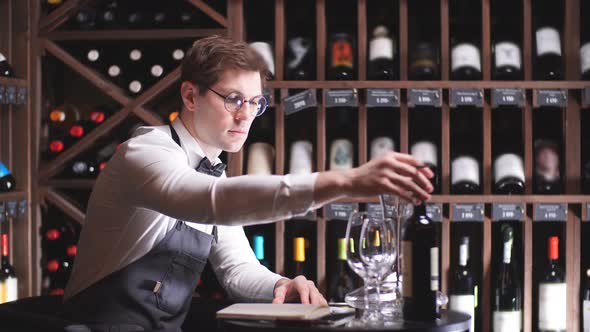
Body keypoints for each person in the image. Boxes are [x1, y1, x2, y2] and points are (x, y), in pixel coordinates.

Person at [60, 35, 434, 331]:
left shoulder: (214, 172)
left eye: (255, 102)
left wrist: (280, 285)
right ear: (191, 95)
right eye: (234, 99)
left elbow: (238, 270)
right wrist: (345, 181)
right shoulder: (145, 153)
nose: (246, 115)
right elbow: (212, 200)